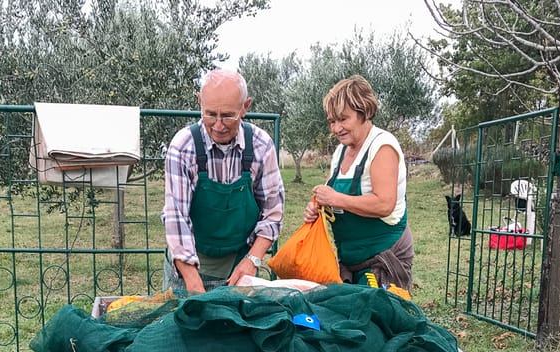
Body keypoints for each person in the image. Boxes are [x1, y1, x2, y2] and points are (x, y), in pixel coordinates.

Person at [162, 68, 285, 294]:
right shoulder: (183, 147)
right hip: (188, 269)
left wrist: (252, 260)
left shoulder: (261, 146)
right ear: (200, 102)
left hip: (239, 268)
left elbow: (272, 213)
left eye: (228, 115)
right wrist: (194, 286)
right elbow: (175, 218)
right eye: (210, 114)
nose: (218, 125)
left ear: (245, 107)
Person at [304, 75, 414, 292]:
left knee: (380, 323)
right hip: (350, 261)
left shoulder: (382, 146)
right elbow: (340, 204)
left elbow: (384, 204)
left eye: (343, 119)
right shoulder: (340, 152)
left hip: (383, 259)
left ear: (364, 112)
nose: (336, 128)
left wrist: (336, 198)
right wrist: (319, 208)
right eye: (332, 121)